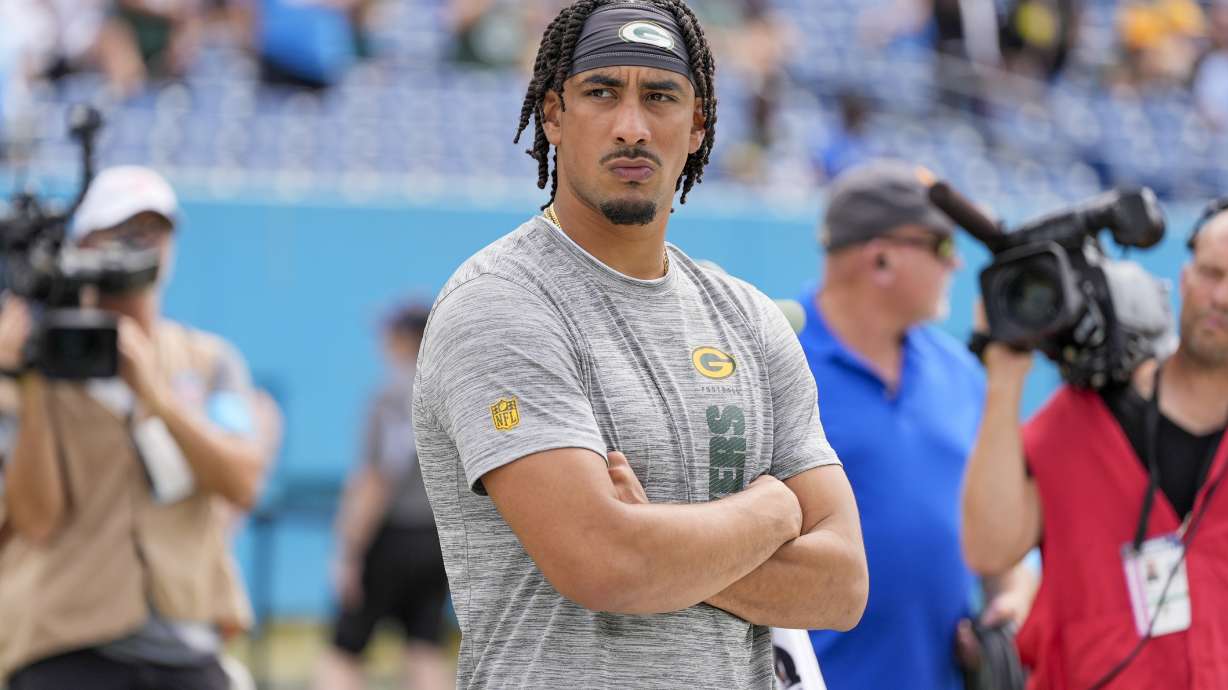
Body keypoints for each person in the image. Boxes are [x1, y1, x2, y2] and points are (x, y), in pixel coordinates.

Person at [413, 1, 869, 688]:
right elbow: (602, 564)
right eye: (602, 93)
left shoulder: (747, 318)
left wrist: (656, 534)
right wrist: (769, 511)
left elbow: (841, 586)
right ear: (553, 116)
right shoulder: (500, 303)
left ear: (698, 125)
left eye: (661, 97)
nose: (632, 126)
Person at [0, 165, 279, 690]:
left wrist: (158, 397)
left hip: (185, 643)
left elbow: (243, 483)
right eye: (121, 232)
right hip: (66, 641)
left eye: (154, 230)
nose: (139, 246)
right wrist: (31, 382)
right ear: (81, 244)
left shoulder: (207, 360)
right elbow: (35, 520)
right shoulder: (32, 369)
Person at [961, 202, 1228, 688]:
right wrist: (1005, 376)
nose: (1224, 296)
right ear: (1184, 279)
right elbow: (988, 549)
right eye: (1213, 273)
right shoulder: (1084, 417)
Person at [794, 160, 1035, 690]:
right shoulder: (777, 364)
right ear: (881, 259)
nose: (955, 266)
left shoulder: (964, 374)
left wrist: (1011, 600)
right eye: (943, 248)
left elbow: (1002, 546)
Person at [314, 303, 452, 690]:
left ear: (407, 338)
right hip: (438, 536)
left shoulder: (390, 397)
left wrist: (349, 550)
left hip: (390, 535)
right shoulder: (452, 393)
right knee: (425, 645)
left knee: (345, 648)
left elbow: (375, 479)